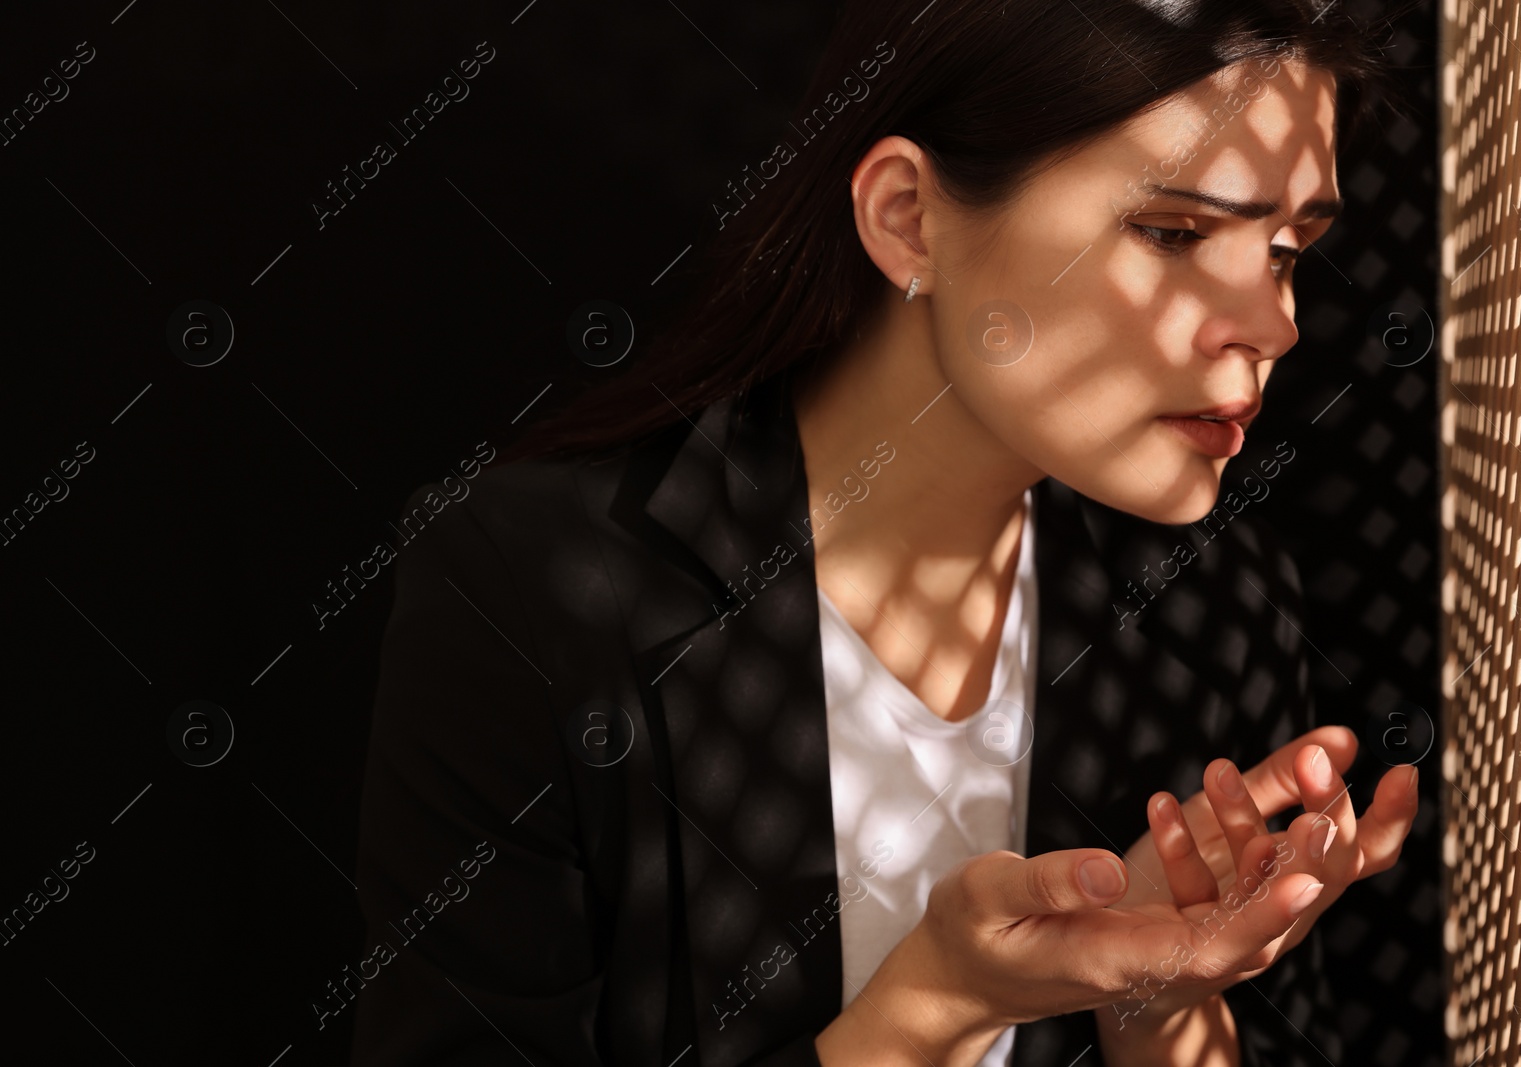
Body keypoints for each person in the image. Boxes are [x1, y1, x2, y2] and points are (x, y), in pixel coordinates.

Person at [349, 1, 1421, 1064]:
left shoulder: (1218, 605)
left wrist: (1155, 995)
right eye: (1173, 233)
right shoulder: (540, 587)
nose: (1275, 322)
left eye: (1285, 249)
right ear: (908, 216)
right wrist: (928, 1013)